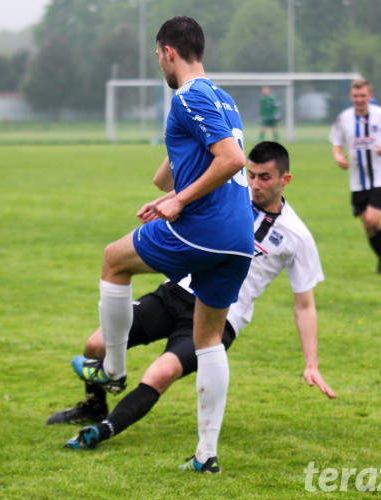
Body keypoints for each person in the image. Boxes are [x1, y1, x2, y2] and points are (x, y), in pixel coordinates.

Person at [51, 142, 335, 472]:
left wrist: (311, 364)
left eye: (265, 177)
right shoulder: (227, 195)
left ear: (285, 179)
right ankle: (94, 405)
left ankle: (102, 431)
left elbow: (304, 305)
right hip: (176, 293)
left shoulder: (296, 235)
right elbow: (169, 186)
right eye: (251, 175)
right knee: (96, 343)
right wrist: (181, 150)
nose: (256, 184)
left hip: (220, 316)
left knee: (162, 371)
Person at [69, 17, 254, 473]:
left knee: (115, 260)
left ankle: (112, 370)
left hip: (202, 228)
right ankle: (206, 456)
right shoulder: (224, 98)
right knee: (208, 340)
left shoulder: (188, 96)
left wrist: (180, 201)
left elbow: (232, 159)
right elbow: (184, 164)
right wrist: (170, 186)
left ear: (168, 52)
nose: (159, 65)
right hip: (239, 239)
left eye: (158, 57)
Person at [329, 78, 381, 274]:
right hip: (357, 179)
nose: (359, 99)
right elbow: (336, 143)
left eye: (363, 96)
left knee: (372, 219)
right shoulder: (343, 118)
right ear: (351, 97)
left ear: (370, 96)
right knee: (368, 225)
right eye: (356, 96)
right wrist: (338, 157)